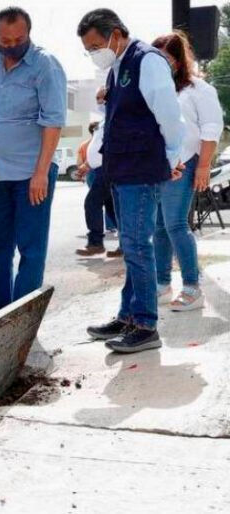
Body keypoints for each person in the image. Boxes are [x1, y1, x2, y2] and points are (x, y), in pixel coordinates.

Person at [79, 9, 184, 353]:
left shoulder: (146, 60)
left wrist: (171, 156)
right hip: (123, 168)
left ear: (117, 34)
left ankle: (146, 324)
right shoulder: (118, 67)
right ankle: (127, 315)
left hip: (141, 166)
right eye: (89, 48)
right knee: (132, 246)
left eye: (96, 45)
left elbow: (168, 112)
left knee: (139, 247)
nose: (95, 52)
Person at [0, 7, 67, 315]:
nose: (13, 44)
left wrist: (41, 173)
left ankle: (21, 318)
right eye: (6, 39)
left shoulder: (45, 65)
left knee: (30, 247)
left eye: (20, 38)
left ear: (29, 34)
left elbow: (54, 121)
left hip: (32, 173)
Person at [152, 31, 222, 311]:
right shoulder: (157, 89)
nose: (159, 64)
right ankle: (161, 284)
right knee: (158, 228)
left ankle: (192, 288)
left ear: (179, 60)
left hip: (187, 160)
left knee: (176, 225)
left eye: (165, 58)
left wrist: (203, 165)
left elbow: (211, 129)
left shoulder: (198, 89)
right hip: (159, 165)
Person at [75, 121, 119, 256]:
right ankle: (128, 244)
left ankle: (96, 243)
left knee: (92, 203)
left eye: (101, 98)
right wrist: (87, 164)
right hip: (101, 168)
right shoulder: (105, 119)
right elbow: (99, 147)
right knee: (113, 208)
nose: (99, 100)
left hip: (108, 168)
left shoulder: (114, 114)